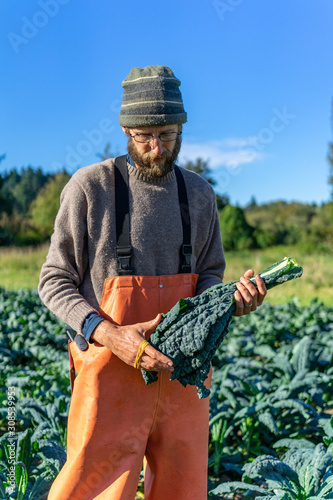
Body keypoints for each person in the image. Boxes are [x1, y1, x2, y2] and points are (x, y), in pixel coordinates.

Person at [39, 65, 267, 500]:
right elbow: (53, 280)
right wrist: (110, 334)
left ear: (181, 127)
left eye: (167, 134)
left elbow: (210, 273)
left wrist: (224, 304)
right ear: (126, 127)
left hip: (183, 379)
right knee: (91, 490)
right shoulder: (90, 188)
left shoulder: (200, 194)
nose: (157, 148)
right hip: (112, 373)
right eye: (144, 136)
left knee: (183, 491)